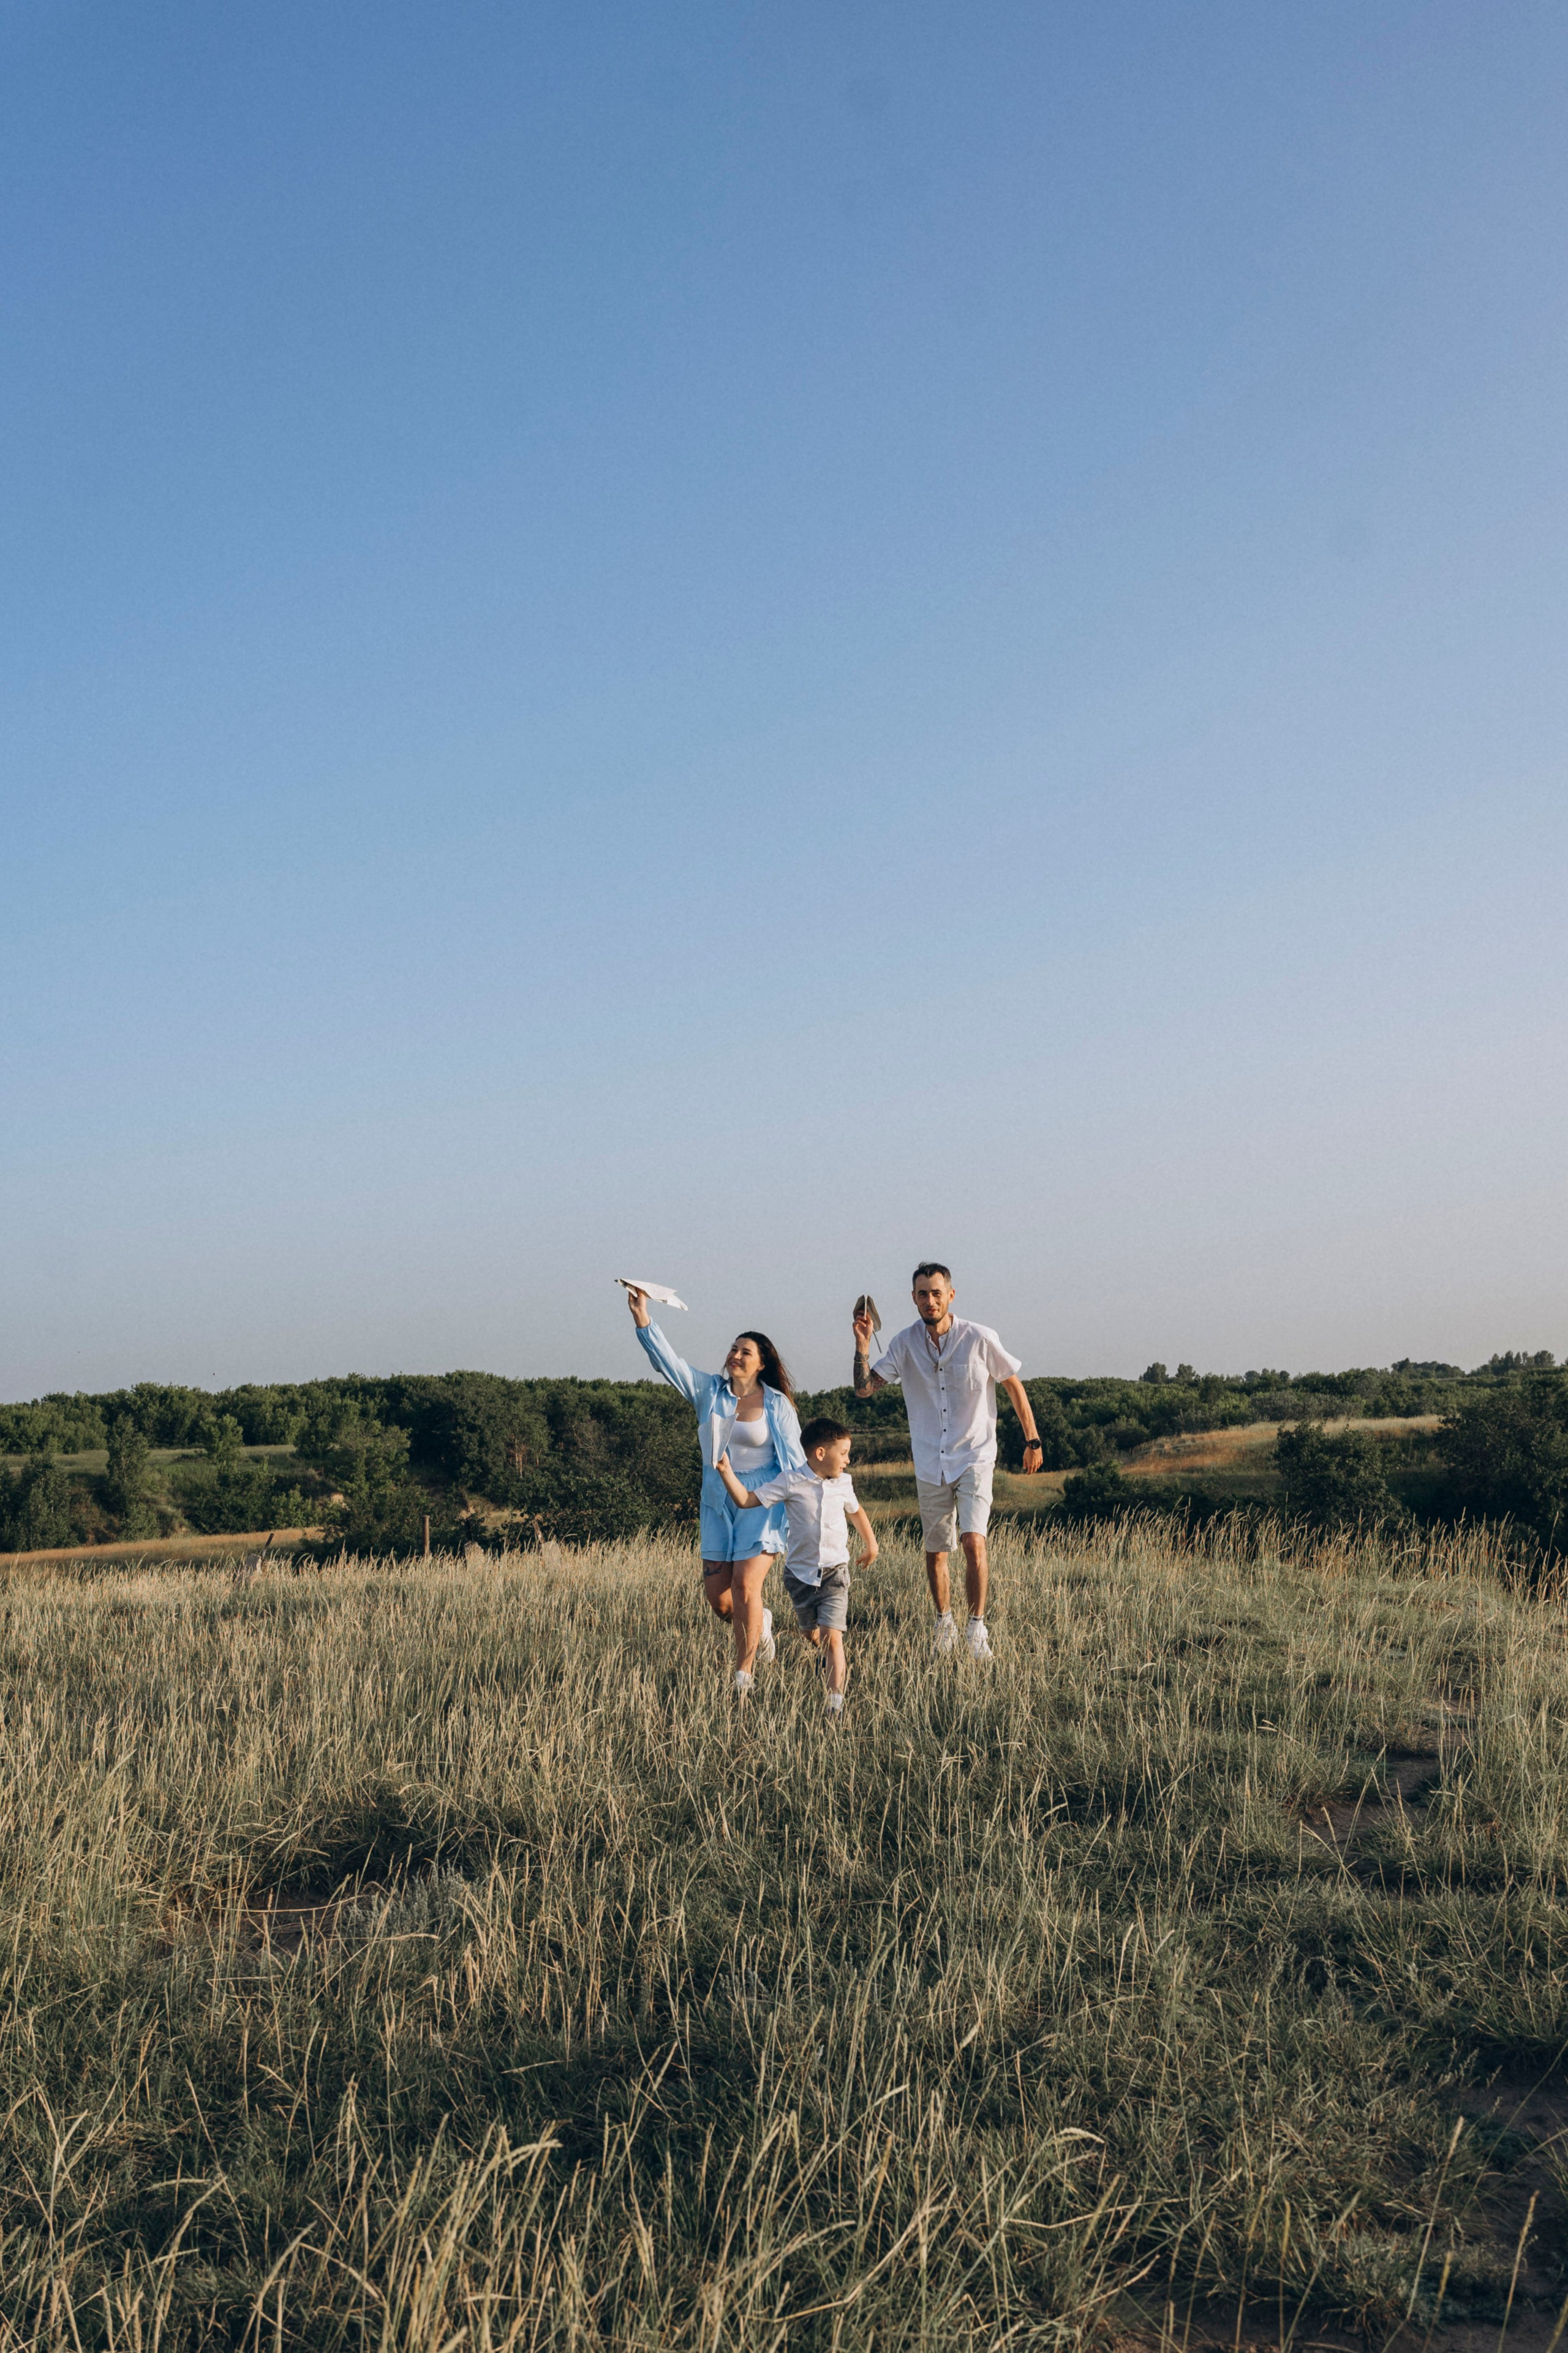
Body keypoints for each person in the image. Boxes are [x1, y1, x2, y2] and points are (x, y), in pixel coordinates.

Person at [853, 1261, 1041, 1658]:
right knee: (936, 1550)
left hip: (974, 1455)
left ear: (950, 1295)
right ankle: (945, 1624)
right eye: (923, 1293)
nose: (930, 1300)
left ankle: (976, 1629)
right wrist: (863, 1344)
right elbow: (865, 1389)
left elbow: (1013, 1385)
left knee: (973, 1541)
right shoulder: (903, 1344)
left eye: (937, 1293)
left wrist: (1033, 1439)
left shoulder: (979, 1337)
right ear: (914, 1298)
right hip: (929, 1460)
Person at [626, 1285, 804, 1696]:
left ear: (761, 1363)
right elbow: (669, 1365)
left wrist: (806, 1515)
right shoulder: (709, 1391)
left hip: (762, 1502)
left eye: (745, 1352)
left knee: (746, 1587)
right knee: (721, 1602)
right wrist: (643, 1318)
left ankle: (743, 1678)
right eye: (733, 1349)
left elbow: (795, 1464)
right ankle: (763, 1624)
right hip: (717, 1503)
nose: (735, 1355)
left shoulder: (777, 1404)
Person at [716, 1415, 877, 1720]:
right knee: (811, 1634)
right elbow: (746, 1500)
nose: (848, 1460)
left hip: (835, 1573)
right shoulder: (790, 1482)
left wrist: (872, 1545)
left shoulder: (844, 1483)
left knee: (833, 1637)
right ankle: (823, 1654)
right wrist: (726, 1471)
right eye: (843, 1453)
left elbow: (857, 1513)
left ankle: (835, 1704)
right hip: (800, 1578)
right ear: (820, 1453)